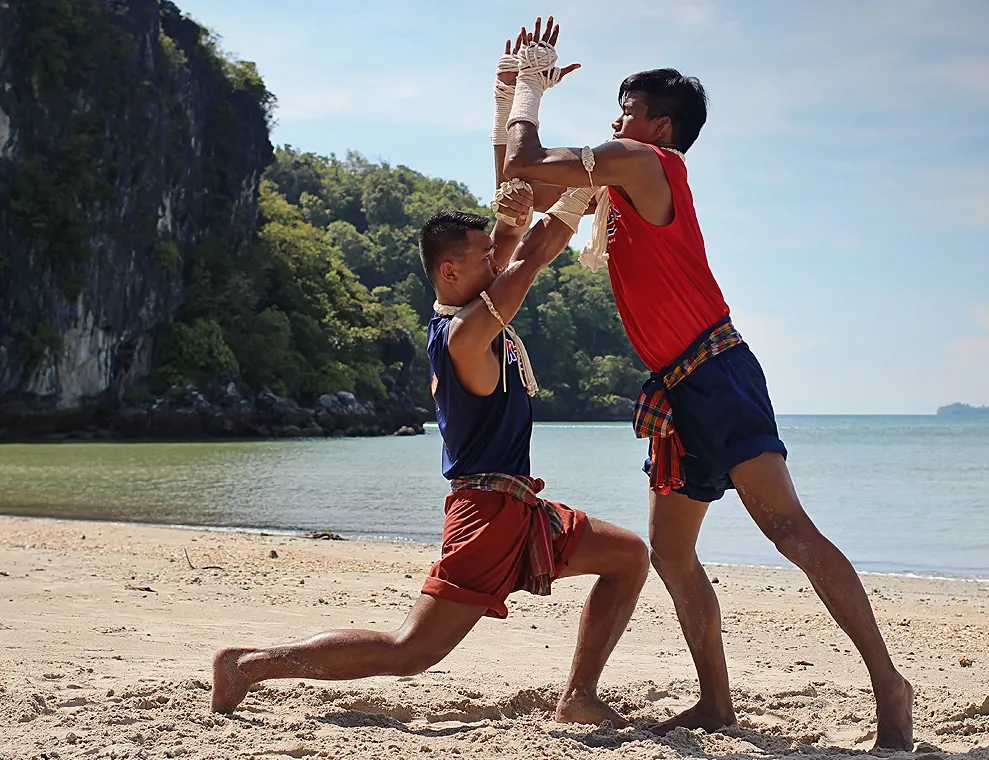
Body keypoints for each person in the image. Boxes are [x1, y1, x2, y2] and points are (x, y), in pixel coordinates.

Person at [211, 30, 648, 728]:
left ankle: (578, 697)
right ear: (453, 269)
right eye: (482, 253)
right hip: (483, 515)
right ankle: (250, 665)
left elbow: (511, 208)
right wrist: (590, 184)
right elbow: (533, 247)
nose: (494, 252)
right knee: (411, 652)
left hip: (519, 505)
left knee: (628, 556)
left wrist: (510, 93)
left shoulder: (465, 301)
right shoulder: (469, 329)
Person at [500, 17, 914, 750]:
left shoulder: (644, 162)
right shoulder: (617, 187)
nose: (615, 118)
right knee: (673, 550)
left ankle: (889, 682)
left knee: (788, 531)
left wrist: (531, 86)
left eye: (626, 108)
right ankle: (717, 705)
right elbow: (520, 184)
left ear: (661, 124)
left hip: (716, 371)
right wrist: (507, 94)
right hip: (677, 390)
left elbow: (529, 159)